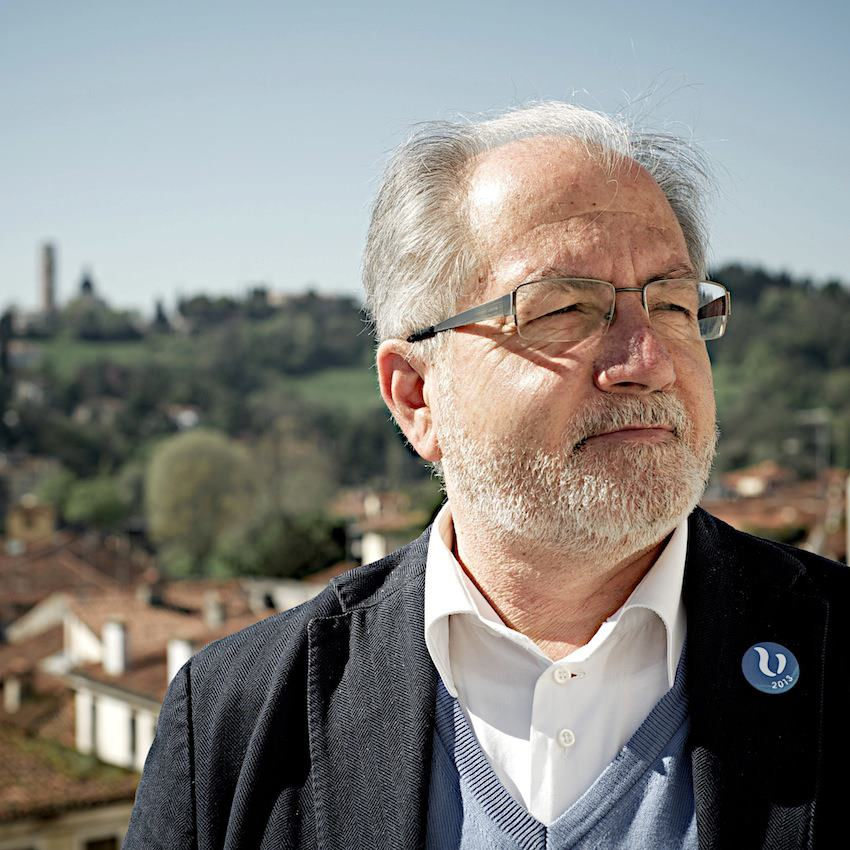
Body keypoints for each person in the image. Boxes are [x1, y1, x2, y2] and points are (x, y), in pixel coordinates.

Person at [123, 103, 848, 850]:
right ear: (417, 396)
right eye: (563, 308)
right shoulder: (231, 722)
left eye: (671, 304)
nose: (649, 361)